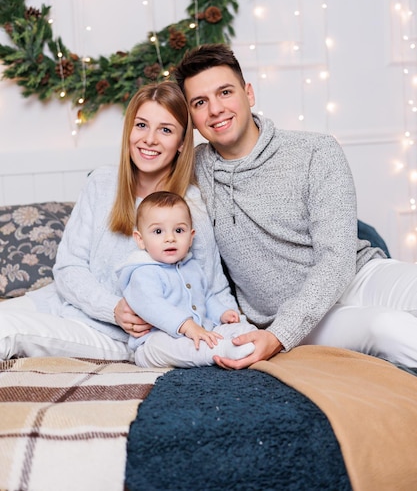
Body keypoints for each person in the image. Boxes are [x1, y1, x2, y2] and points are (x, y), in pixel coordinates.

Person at [174, 43, 417, 370]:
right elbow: (140, 183)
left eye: (225, 92)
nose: (215, 109)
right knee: (387, 328)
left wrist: (278, 336)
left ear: (249, 93)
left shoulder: (315, 151)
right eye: (200, 102)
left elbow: (338, 258)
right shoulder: (192, 171)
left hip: (358, 275)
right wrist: (279, 334)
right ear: (191, 116)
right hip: (295, 317)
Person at [0, 81, 236, 361]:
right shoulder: (101, 182)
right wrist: (112, 306)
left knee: (6, 330)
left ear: (182, 143)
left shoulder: (189, 206)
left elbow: (212, 286)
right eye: (141, 125)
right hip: (61, 301)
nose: (149, 139)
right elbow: (68, 267)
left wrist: (235, 330)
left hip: (110, 333)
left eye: (165, 130)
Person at [118, 191, 256, 368]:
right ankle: (220, 351)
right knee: (167, 346)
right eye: (158, 231)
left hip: (202, 330)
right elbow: (153, 306)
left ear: (191, 237)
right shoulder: (143, 274)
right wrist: (187, 326)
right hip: (154, 341)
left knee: (236, 327)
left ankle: (249, 339)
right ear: (140, 239)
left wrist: (222, 313)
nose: (170, 238)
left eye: (179, 230)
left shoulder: (192, 267)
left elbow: (206, 296)